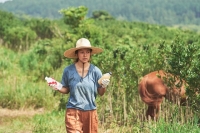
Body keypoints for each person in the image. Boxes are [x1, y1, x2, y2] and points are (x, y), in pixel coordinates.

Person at [46, 38, 110, 133]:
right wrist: (57, 86)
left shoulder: (95, 71)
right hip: (73, 111)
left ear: (90, 53)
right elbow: (66, 89)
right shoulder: (68, 70)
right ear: (76, 54)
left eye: (87, 52)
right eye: (82, 52)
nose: (85, 55)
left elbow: (100, 93)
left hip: (90, 111)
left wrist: (104, 86)